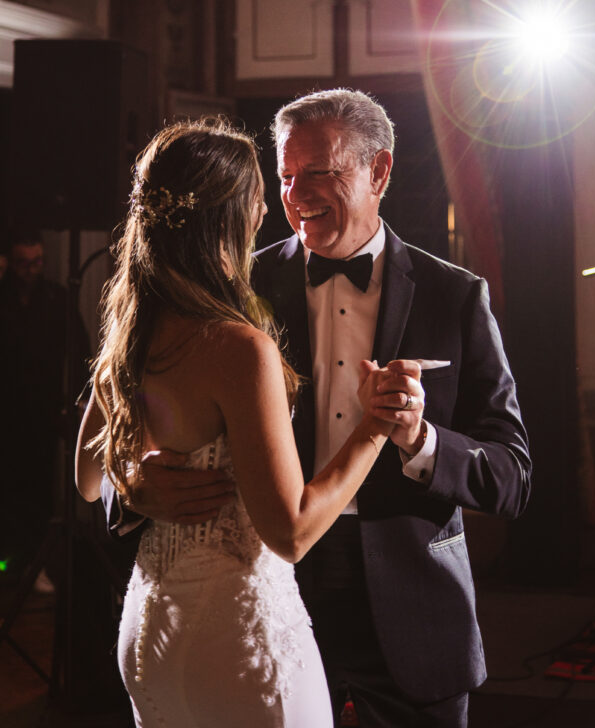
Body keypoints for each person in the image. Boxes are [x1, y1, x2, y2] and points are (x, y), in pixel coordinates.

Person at [113, 90, 532, 727]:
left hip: (413, 608)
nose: (296, 195)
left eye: (319, 173)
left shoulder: (455, 297)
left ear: (380, 171)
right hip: (262, 599)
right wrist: (133, 488)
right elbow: (126, 413)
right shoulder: (232, 291)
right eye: (284, 177)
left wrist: (420, 441)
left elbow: (512, 474)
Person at [76, 119, 415, 728]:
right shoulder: (239, 346)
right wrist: (374, 427)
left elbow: (83, 474)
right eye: (269, 190)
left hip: (150, 628)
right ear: (228, 217)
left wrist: (126, 470)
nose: (271, 210)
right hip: (239, 638)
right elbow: (289, 533)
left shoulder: (134, 323)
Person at [0, 227, 89, 577]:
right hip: (6, 408)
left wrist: (74, 404)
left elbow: (81, 351)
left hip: (43, 411)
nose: (31, 270)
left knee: (38, 489)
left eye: (37, 262)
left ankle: (33, 565)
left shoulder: (55, 297)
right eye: (24, 263)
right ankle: (8, 563)